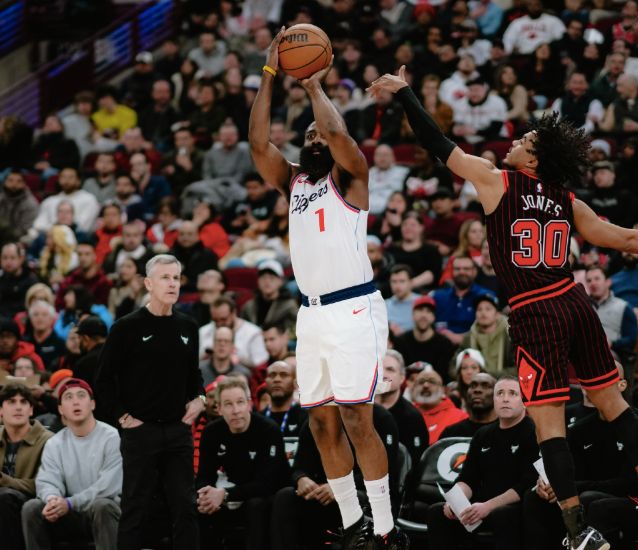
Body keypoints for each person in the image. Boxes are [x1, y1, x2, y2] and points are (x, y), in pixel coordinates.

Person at [369, 64, 638, 550]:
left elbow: (438, 144)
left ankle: (577, 530)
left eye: (525, 138)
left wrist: (406, 93)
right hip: (574, 301)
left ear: (534, 157)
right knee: (613, 404)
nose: (515, 140)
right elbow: (623, 239)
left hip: (537, 310)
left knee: (549, 425)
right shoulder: (567, 200)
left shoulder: (498, 181)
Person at [249, 30, 407, 548]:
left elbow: (338, 135)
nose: (316, 140)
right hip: (311, 315)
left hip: (354, 308)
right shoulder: (294, 181)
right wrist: (270, 72)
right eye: (309, 136)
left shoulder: (352, 176)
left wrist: (314, 86)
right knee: (320, 425)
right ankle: (354, 522)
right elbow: (258, 145)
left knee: (358, 419)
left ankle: (385, 529)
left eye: (322, 135)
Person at [95, 254, 205, 549]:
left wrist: (200, 398)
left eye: (176, 278)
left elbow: (193, 374)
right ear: (148, 284)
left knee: (185, 506)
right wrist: (122, 417)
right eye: (164, 278)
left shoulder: (188, 326)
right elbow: (103, 380)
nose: (172, 284)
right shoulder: (126, 327)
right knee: (135, 508)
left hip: (178, 429)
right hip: (140, 431)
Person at [427, 376, 539, 550]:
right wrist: (454, 501)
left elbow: (527, 484)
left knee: (503, 514)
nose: (505, 399)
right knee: (438, 511)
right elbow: (468, 479)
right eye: (500, 393)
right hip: (481, 506)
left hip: (515, 506)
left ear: (524, 401)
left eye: (513, 393)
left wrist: (488, 506)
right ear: (494, 400)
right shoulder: (483, 434)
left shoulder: (533, 432)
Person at [21, 379, 122, 550]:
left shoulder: (111, 437)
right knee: (32, 508)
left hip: (99, 513)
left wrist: (69, 503)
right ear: (61, 409)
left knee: (103, 505)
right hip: (67, 514)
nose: (76, 401)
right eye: (68, 397)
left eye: (81, 396)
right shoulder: (55, 442)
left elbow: (108, 487)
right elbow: (47, 481)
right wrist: (53, 500)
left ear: (93, 404)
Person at [196, 376, 290, 549]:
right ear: (219, 408)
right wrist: (205, 495)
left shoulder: (268, 430)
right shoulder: (212, 432)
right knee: (199, 506)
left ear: (249, 404)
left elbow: (266, 483)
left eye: (240, 402)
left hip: (271, 493)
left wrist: (225, 494)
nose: (236, 410)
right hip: (233, 489)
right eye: (228, 404)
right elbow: (204, 475)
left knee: (256, 504)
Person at [0, 383, 53, 550]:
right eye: (11, 401)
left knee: (4, 498)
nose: (18, 407)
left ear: (31, 410)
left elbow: (45, 485)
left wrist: (4, 480)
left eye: (23, 402)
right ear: (1, 411)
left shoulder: (49, 441)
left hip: (34, 505)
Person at [375, 350, 429, 466]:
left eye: (390, 370)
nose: (383, 374)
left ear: (402, 378)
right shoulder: (359, 411)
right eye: (379, 369)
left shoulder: (412, 418)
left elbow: (416, 464)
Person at [393, 295, 457, 382]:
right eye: (420, 310)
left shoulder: (444, 344)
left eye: (428, 311)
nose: (424, 315)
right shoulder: (400, 342)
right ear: (412, 315)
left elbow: (444, 378)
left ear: (434, 317)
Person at [412, 368, 468, 443]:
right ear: (413, 388)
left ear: (442, 389)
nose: (425, 385)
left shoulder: (460, 417)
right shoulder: (406, 415)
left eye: (432, 381)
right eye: (421, 382)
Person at [440, 372, 497, 438]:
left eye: (485, 386)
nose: (477, 390)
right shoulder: (450, 433)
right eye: (473, 386)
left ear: (497, 394)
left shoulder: (506, 431)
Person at [263, 360, 308, 438]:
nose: (277, 379)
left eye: (284, 375)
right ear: (265, 382)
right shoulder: (255, 420)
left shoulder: (306, 418)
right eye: (272, 375)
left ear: (295, 383)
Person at [0, 242, 38, 319]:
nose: (8, 262)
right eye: (5, 258)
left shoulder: (30, 280)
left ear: (21, 259)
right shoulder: (2, 278)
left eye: (12, 258)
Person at [73, 316, 108, 389]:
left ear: (86, 338)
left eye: (79, 338)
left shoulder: (83, 364)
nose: (78, 342)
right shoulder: (119, 355)